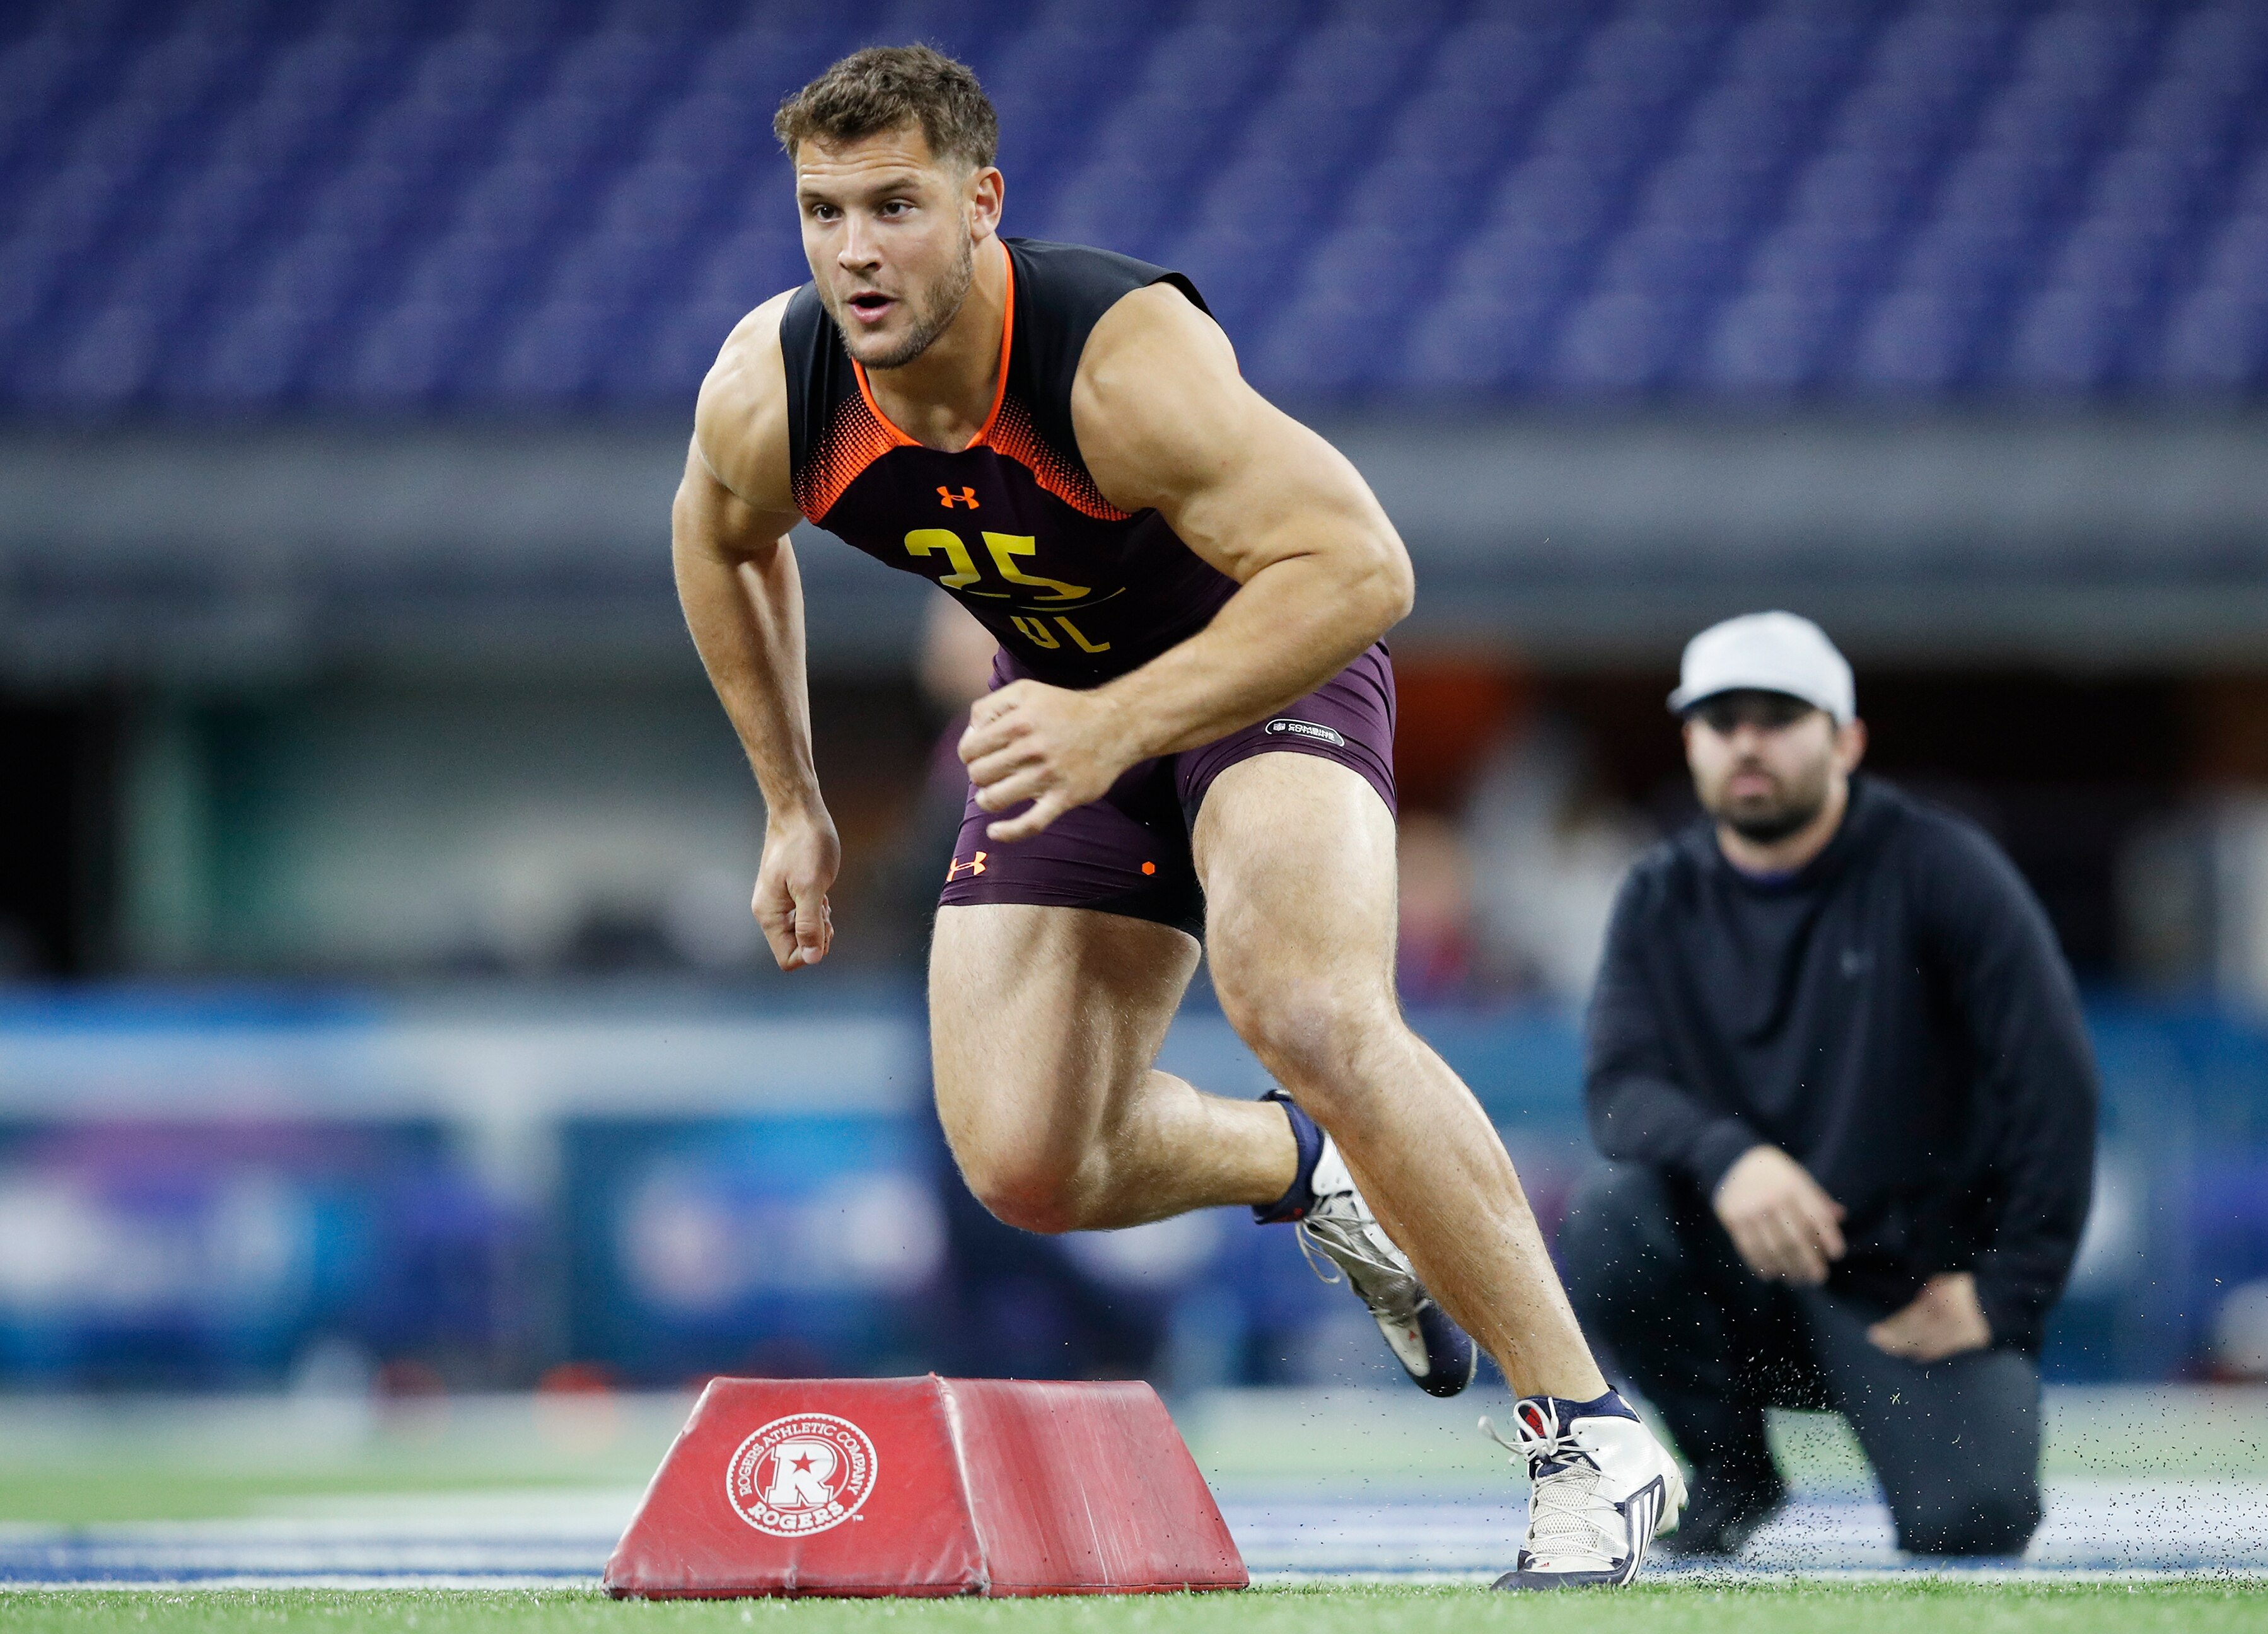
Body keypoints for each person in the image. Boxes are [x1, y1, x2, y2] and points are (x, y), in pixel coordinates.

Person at [669, 45, 1682, 1588]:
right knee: (1025, 1160)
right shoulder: (777, 388)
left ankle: (1597, 1439)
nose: (856, 251)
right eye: (823, 212)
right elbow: (719, 542)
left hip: (1265, 660)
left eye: (896, 205)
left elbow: (1362, 571)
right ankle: (1302, 1169)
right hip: (1072, 706)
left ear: (982, 204)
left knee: (1308, 1006)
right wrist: (792, 803)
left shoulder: (1112, 363)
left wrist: (1120, 719)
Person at [1561, 611, 2097, 1558]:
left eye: (1779, 717)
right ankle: (1729, 1467)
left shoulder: (1942, 871)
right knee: (1611, 1223)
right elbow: (1619, 1088)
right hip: (1746, 1279)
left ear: (1846, 739)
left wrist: (2007, 1293)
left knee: (1973, 1522)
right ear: (1691, 741)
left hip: (1909, 1290)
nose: (1749, 743)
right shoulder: (1660, 895)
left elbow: (2053, 1089)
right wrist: (1732, 1160)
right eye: (1723, 721)